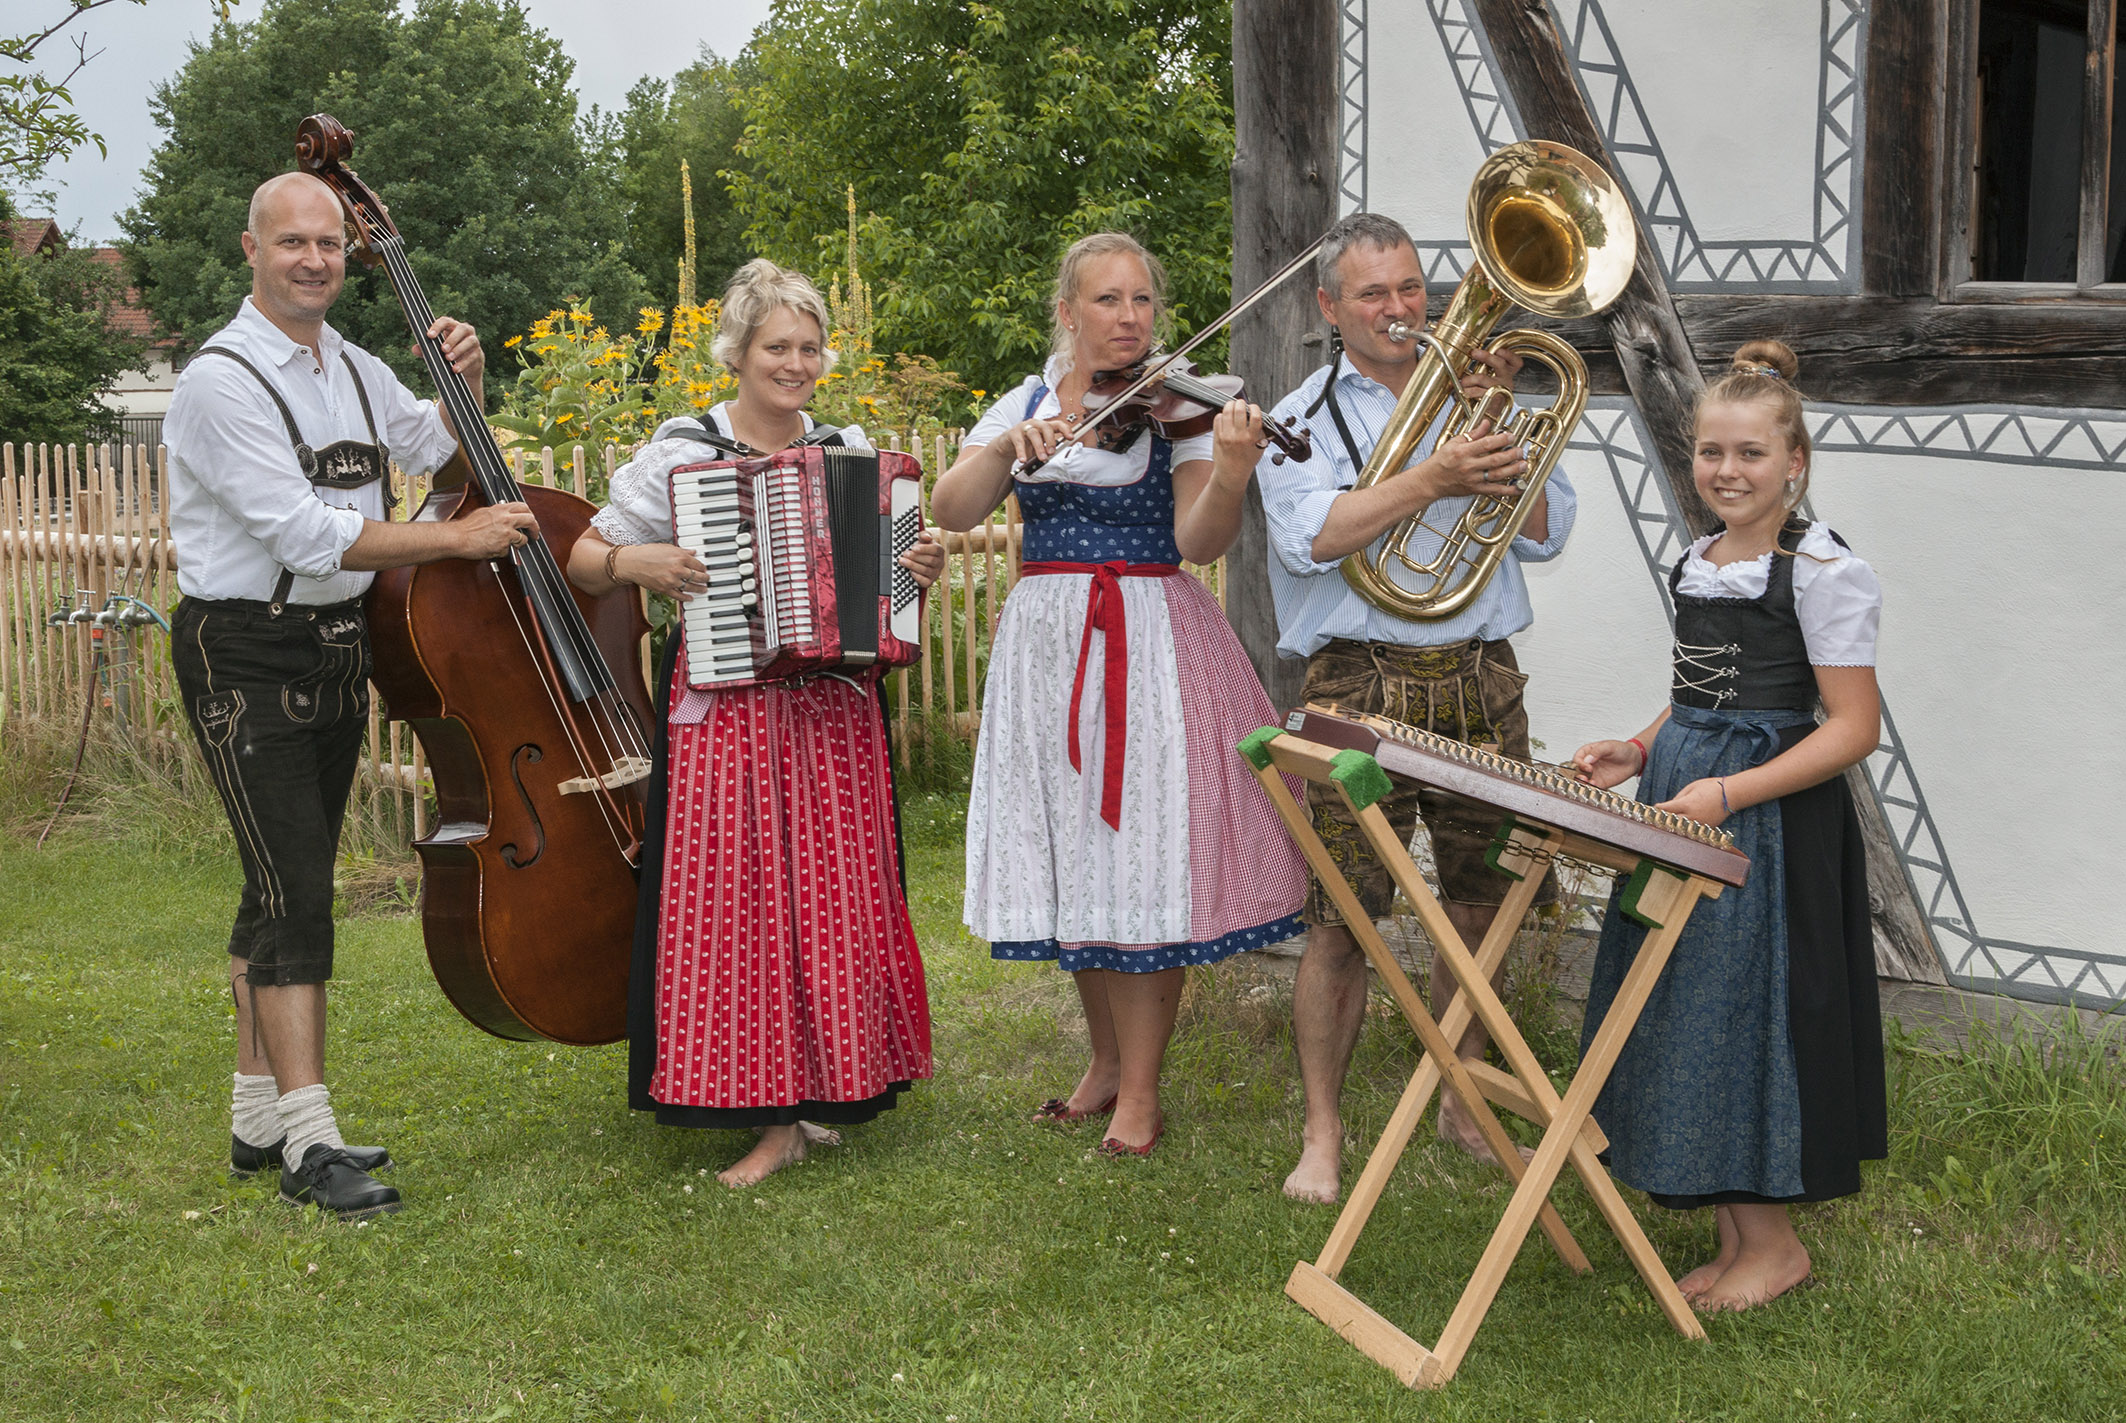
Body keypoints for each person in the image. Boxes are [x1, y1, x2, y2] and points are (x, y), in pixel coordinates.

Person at [166, 172, 538, 1219]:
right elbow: (304, 533)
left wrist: (461, 387)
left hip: (336, 641)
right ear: (252, 250)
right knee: (296, 890)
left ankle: (256, 1117)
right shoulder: (220, 381)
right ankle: (310, 1144)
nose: (316, 259)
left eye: (330, 244)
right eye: (293, 242)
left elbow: (447, 457)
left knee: (281, 876)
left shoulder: (356, 369)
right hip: (244, 647)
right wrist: (456, 538)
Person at [568, 258, 945, 1188]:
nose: (796, 363)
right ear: (737, 351)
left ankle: (825, 1087)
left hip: (834, 711)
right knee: (742, 905)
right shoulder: (683, 452)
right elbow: (581, 557)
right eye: (778, 346)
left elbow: (888, 582)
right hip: (727, 711)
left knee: (832, 898)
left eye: (810, 347)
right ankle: (768, 1112)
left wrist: (917, 561)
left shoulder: (849, 446)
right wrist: (640, 563)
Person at [934, 232, 1309, 1158]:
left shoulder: (1182, 407)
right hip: (1046, 648)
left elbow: (1199, 539)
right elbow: (950, 508)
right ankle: (1103, 1064)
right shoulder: (1025, 401)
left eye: (1142, 301)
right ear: (1068, 312)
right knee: (1075, 857)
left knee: (1142, 861)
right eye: (1108, 300)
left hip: (1147, 640)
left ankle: (1141, 1090)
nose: (1129, 319)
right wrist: (1003, 454)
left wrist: (1229, 468)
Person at [1254, 212, 1571, 1204]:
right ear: (1327, 308)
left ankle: (1458, 1099)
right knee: (1343, 915)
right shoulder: (1294, 416)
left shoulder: (1472, 397)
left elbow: (1549, 533)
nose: (1398, 310)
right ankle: (1322, 1131)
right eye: (1372, 295)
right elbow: (1314, 535)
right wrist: (1429, 474)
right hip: (1353, 678)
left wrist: (1498, 420)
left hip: (1479, 671)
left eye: (1409, 288)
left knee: (1481, 902)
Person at [1570, 340, 1886, 1312]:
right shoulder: (1696, 558)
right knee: (1686, 1001)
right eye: (1711, 452)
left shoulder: (1822, 570)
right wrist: (1635, 744)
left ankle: (1774, 1243)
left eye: (1750, 454)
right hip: (1686, 793)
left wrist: (1728, 793)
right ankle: (1732, 1230)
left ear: (1794, 463)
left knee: (1745, 1013)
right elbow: (1696, 694)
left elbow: (1851, 729)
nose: (1727, 471)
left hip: (1765, 822)